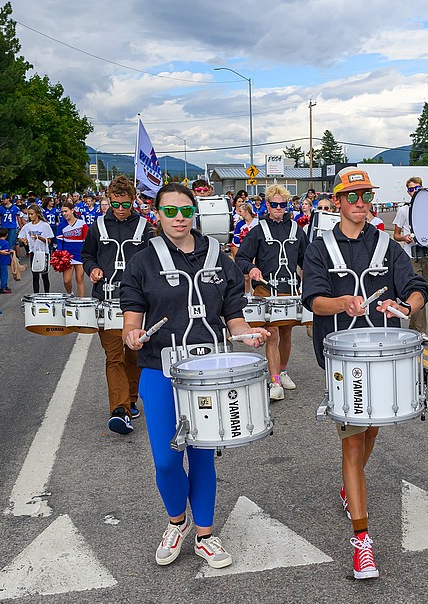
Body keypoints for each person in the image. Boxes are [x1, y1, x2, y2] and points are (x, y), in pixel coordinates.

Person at [120, 182, 269, 570]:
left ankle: (204, 534)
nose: (179, 218)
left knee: (203, 457)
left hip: (208, 373)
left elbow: (233, 315)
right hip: (159, 369)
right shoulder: (142, 261)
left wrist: (248, 334)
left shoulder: (220, 257)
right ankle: (177, 522)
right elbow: (131, 318)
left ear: (195, 212)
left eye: (185, 210)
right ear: (157, 214)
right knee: (167, 460)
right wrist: (132, 335)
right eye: (170, 211)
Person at [302, 169, 428, 580]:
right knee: (353, 445)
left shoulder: (387, 245)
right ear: (337, 201)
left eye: (366, 196)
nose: (361, 203)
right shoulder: (320, 248)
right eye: (353, 196)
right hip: (341, 360)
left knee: (370, 429)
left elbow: (415, 285)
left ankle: (349, 486)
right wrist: (340, 301)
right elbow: (313, 302)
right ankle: (362, 540)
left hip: (382, 356)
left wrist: (407, 306)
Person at [82, 176, 153, 434]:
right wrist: (93, 268)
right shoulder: (98, 226)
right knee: (114, 356)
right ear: (109, 200)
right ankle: (120, 411)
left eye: (125, 204)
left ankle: (131, 398)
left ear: (133, 201)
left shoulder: (145, 227)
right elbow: (87, 255)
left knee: (133, 353)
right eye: (115, 204)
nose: (120, 209)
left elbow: (155, 259)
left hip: (136, 302)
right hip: (106, 299)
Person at [235, 184, 307, 402]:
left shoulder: (296, 229)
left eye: (282, 205)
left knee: (286, 333)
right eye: (274, 204)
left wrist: (310, 282)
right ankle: (275, 381)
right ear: (267, 205)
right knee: (272, 333)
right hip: (266, 289)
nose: (278, 208)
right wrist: (251, 269)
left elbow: (307, 260)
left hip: (290, 290)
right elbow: (241, 258)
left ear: (287, 206)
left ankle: (282, 371)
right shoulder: (258, 230)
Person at [391, 176, 428, 343]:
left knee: (425, 292)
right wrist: (404, 238)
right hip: (411, 254)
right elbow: (396, 235)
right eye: (410, 189)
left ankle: (415, 326)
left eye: (417, 188)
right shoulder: (403, 210)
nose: (414, 191)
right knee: (418, 289)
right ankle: (419, 330)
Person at [19, 206, 54, 294]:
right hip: (33, 252)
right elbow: (21, 236)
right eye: (29, 214)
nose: (30, 216)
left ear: (37, 214)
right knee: (35, 276)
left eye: (32, 214)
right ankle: (36, 295)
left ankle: (47, 294)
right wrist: (24, 240)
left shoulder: (45, 225)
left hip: (43, 252)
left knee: (44, 275)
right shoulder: (27, 227)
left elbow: (49, 240)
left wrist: (39, 237)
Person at [56, 201, 88, 297]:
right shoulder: (61, 225)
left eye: (66, 211)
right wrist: (61, 254)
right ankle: (70, 293)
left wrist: (87, 253)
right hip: (67, 255)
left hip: (79, 254)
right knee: (67, 280)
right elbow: (59, 241)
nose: (64, 214)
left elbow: (86, 240)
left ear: (72, 210)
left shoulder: (82, 223)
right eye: (62, 212)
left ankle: (81, 301)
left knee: (80, 279)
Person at [0, 228, 13, 294]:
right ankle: (3, 287)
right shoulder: (6, 243)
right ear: (7, 235)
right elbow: (7, 251)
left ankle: (5, 286)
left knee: (1, 274)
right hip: (4, 261)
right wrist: (11, 252)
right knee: (4, 274)